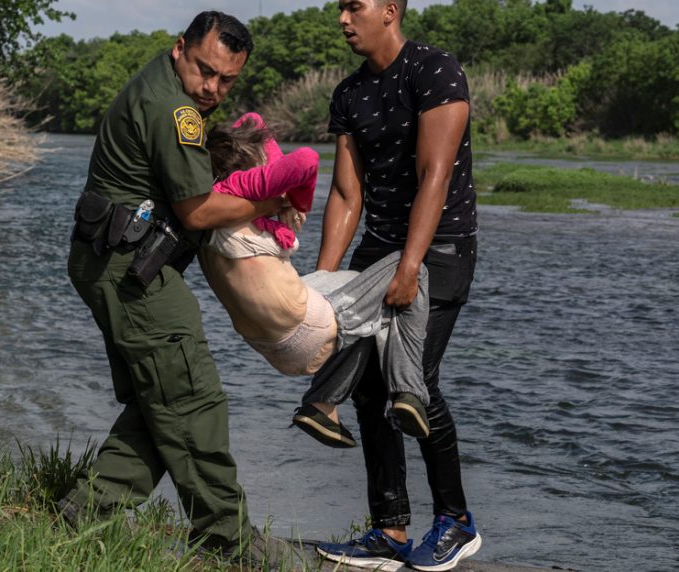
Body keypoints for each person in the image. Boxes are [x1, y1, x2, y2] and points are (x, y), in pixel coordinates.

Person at [58, 11, 297, 565]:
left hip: (114, 259)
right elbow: (197, 211)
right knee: (191, 396)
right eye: (204, 70)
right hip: (131, 270)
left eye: (227, 80)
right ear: (178, 48)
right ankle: (227, 538)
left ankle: (87, 508)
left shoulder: (162, 88)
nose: (212, 88)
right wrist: (270, 201)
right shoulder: (175, 111)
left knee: (161, 396)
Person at [310, 1, 482, 571]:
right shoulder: (349, 93)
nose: (342, 18)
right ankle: (389, 529)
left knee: (416, 379)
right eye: (339, 7)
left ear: (389, 10)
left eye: (353, 6)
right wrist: (325, 286)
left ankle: (456, 521)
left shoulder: (434, 71)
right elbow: (346, 195)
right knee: (366, 386)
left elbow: (436, 174)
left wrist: (410, 266)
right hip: (378, 248)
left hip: (441, 250)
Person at [198, 112, 432, 445]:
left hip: (269, 344)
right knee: (409, 269)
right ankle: (408, 391)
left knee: (365, 301)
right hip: (305, 332)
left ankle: (321, 407)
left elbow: (253, 120)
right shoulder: (244, 186)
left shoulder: (210, 205)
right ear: (252, 170)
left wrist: (275, 195)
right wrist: (295, 200)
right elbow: (306, 159)